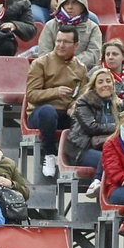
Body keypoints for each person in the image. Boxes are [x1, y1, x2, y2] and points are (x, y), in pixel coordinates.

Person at [24, 24, 86, 179]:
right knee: (48, 111)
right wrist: (55, 92)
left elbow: (83, 94)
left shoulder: (81, 67)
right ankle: (49, 154)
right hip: (40, 114)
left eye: (66, 42)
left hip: (65, 113)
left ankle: (78, 156)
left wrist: (74, 105)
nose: (60, 45)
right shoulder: (40, 63)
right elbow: (31, 95)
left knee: (85, 114)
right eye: (58, 41)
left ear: (75, 45)